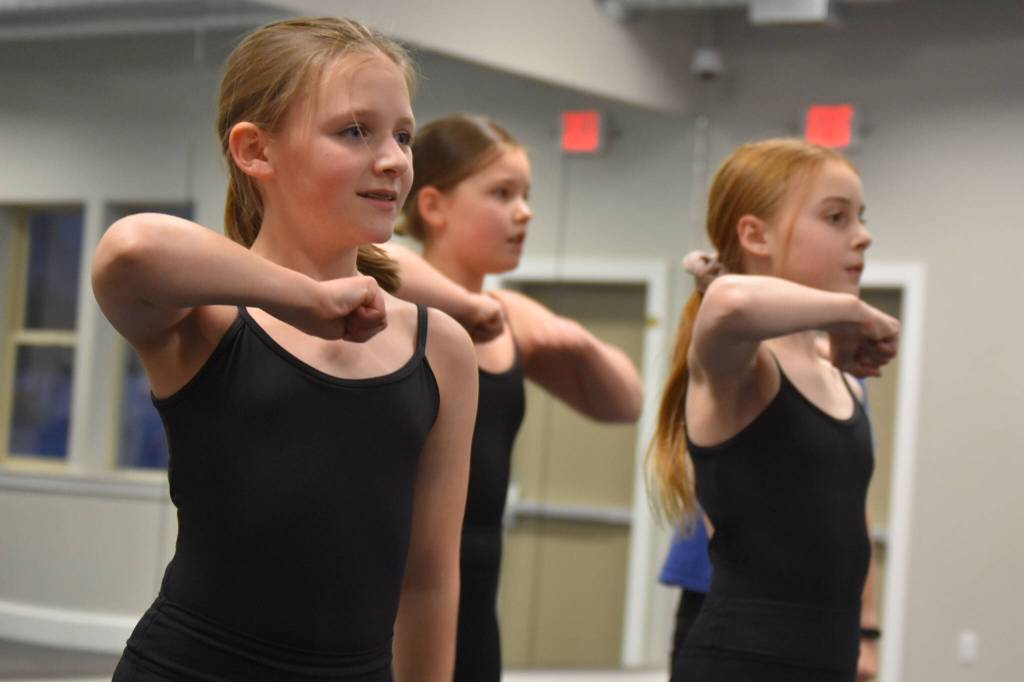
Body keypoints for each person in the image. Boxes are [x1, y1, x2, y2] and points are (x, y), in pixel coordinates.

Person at [92, 17, 477, 682]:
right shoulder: (208, 321)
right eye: (354, 131)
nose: (393, 159)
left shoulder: (439, 347)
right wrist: (300, 296)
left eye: (402, 135)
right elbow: (130, 249)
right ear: (255, 150)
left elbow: (429, 581)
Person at [381, 114, 644, 682]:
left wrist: (576, 340)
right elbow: (378, 260)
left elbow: (625, 403)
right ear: (434, 206)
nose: (524, 213)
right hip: (397, 578)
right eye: (502, 194)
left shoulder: (510, 319)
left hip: (478, 586)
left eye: (526, 196)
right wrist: (473, 308)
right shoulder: (397, 306)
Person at [648, 138, 898, 681]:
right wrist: (851, 312)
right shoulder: (746, 370)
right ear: (755, 235)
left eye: (861, 217)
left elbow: (851, 518)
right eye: (836, 217)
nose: (863, 235)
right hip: (740, 661)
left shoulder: (842, 377)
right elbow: (731, 303)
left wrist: (867, 631)